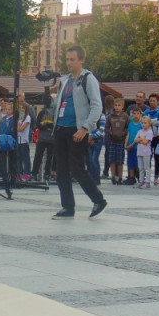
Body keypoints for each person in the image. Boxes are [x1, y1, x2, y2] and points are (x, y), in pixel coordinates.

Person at [49, 45, 107, 220]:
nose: (69, 63)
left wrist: (85, 128)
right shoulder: (65, 80)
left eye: (72, 59)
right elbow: (59, 103)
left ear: (81, 60)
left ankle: (98, 199)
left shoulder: (88, 79)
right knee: (61, 170)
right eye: (67, 59)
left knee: (77, 168)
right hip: (61, 128)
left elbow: (97, 106)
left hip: (77, 130)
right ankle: (67, 207)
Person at [105, 97, 130, 185]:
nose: (117, 107)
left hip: (121, 141)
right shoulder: (110, 116)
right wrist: (110, 133)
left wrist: (124, 133)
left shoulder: (125, 116)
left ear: (122, 106)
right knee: (112, 159)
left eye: (119, 105)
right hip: (112, 140)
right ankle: (113, 177)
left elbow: (128, 127)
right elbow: (107, 127)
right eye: (115, 105)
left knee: (120, 160)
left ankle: (120, 177)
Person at [132, 116, 154, 188]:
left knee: (146, 168)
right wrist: (142, 138)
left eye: (145, 123)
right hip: (139, 152)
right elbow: (135, 140)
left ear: (149, 124)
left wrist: (140, 139)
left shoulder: (150, 132)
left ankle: (147, 181)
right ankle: (141, 181)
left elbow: (145, 142)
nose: (143, 124)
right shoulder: (140, 131)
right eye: (142, 123)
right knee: (140, 167)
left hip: (146, 152)